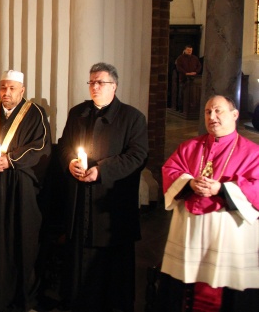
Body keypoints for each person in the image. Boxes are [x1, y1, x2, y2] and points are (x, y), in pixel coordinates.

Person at [58, 62, 148, 312]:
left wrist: (102, 170)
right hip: (80, 197)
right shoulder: (78, 113)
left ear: (114, 86)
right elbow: (65, 145)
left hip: (111, 201)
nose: (95, 87)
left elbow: (138, 156)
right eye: (92, 82)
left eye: (101, 82)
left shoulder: (132, 117)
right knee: (80, 256)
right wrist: (69, 163)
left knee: (112, 262)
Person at [156, 95, 259, 311]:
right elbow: (170, 170)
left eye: (218, 111)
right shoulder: (190, 146)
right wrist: (189, 183)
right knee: (185, 288)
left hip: (228, 235)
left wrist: (221, 189)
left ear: (235, 114)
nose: (212, 116)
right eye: (208, 112)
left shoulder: (253, 152)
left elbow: (256, 186)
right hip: (190, 232)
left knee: (225, 293)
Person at [0, 70, 51, 312]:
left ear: (22, 90)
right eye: (3, 87)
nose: (6, 93)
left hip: (20, 188)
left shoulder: (35, 114)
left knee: (19, 239)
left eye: (12, 88)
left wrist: (10, 160)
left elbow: (41, 147)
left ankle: (21, 295)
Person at [175, 45, 202, 111]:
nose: (189, 51)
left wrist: (195, 72)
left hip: (193, 78)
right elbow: (179, 67)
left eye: (191, 50)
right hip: (183, 78)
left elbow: (199, 66)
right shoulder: (180, 58)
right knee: (182, 93)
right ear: (185, 50)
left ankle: (191, 108)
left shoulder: (194, 58)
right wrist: (186, 73)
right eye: (188, 50)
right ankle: (181, 108)